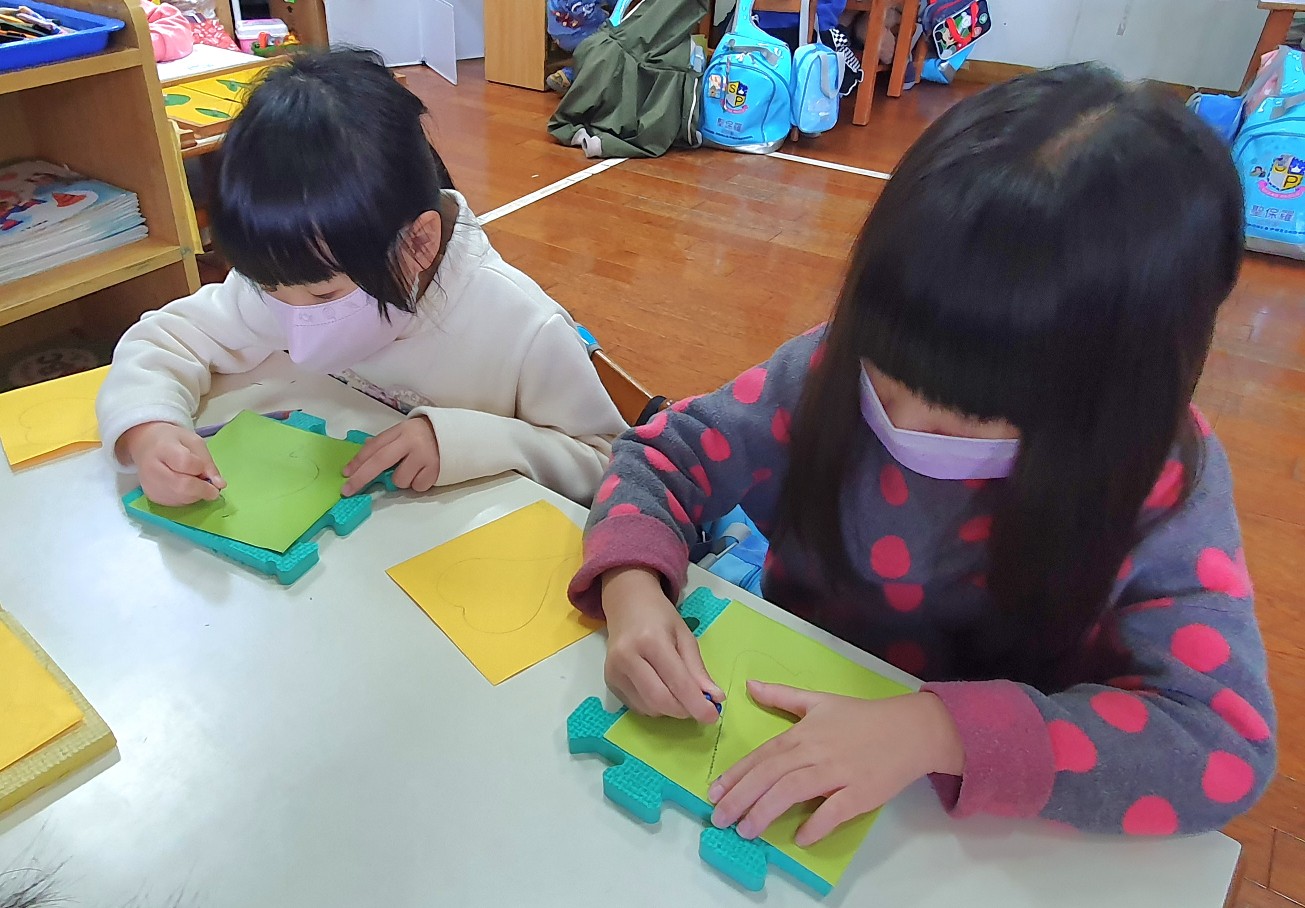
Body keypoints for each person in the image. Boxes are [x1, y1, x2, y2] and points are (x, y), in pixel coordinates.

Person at [568, 63, 1276, 842]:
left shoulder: (1160, 479)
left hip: (974, 822)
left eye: (971, 414)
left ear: (1111, 398)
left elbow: (1219, 747)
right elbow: (665, 454)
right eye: (886, 370)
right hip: (784, 709)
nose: (902, 419)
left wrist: (937, 731)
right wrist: (632, 588)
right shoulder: (830, 366)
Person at [97, 49, 625, 507]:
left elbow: (607, 463)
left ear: (417, 244)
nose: (293, 318)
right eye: (270, 290)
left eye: (324, 294)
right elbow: (164, 339)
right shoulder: (290, 270)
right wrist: (150, 429)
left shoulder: (519, 327)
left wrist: (464, 442)